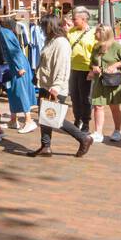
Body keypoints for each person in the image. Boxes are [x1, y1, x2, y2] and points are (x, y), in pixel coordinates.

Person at [28, 17, 93, 158]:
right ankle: (45, 146)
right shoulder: (50, 41)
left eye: (43, 26)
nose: (41, 29)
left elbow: (62, 67)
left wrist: (56, 86)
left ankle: (83, 138)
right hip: (46, 85)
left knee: (53, 117)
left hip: (55, 87)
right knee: (44, 117)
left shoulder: (61, 43)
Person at [88, 24, 121, 142]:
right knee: (98, 106)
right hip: (100, 80)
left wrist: (115, 64)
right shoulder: (96, 47)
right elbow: (91, 62)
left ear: (103, 34)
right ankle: (98, 132)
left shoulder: (116, 46)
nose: (94, 34)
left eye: (96, 32)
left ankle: (118, 131)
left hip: (114, 80)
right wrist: (94, 67)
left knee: (114, 107)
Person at [0, 16, 37, 133]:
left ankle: (29, 121)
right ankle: (13, 120)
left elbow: (13, 50)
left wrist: (19, 67)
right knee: (12, 91)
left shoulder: (3, 32)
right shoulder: (6, 32)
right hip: (14, 65)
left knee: (19, 91)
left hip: (17, 65)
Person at [65, 7, 95, 133]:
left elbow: (97, 51)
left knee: (85, 97)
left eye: (75, 19)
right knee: (74, 96)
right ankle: (77, 119)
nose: (73, 21)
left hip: (86, 69)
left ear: (83, 19)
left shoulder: (93, 33)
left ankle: (86, 122)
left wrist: (93, 68)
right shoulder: (71, 31)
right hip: (72, 68)